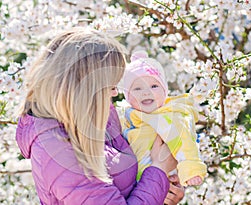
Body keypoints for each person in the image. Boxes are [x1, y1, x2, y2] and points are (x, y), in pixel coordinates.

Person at [15, 28, 184, 204]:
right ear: (86, 90)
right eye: (110, 86)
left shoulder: (89, 119)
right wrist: (159, 170)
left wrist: (162, 190)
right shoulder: (58, 153)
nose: (115, 92)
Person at [122, 51, 207, 186]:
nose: (146, 92)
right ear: (127, 97)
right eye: (137, 88)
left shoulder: (169, 116)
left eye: (154, 86)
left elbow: (184, 141)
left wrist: (191, 168)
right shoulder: (126, 116)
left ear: (165, 91)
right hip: (134, 181)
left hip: (158, 178)